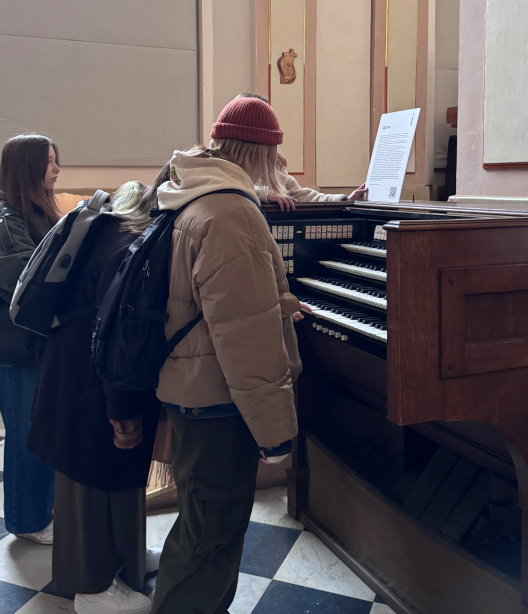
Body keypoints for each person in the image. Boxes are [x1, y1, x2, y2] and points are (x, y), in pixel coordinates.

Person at [151, 96, 302, 614]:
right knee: (209, 538)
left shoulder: (187, 193)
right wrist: (276, 432)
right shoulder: (232, 212)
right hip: (218, 403)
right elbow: (246, 340)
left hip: (188, 388)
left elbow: (206, 300)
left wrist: (276, 299)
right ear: (260, 153)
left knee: (200, 526)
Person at [28, 173, 170, 614]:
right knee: (88, 480)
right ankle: (91, 586)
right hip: (91, 379)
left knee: (114, 473)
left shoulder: (108, 227)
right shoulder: (132, 245)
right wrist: (120, 405)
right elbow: (119, 335)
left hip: (75, 369)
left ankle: (125, 559)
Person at [0, 133, 60, 543]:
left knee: (36, 429)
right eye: (49, 162)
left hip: (31, 345)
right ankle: (28, 522)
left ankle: (40, 511)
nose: (57, 169)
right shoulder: (9, 220)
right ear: (28, 168)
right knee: (25, 433)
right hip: (14, 348)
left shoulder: (34, 211)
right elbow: (27, 287)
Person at [237, 92, 368, 210]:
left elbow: (304, 196)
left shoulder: (275, 166)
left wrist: (345, 200)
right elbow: (224, 185)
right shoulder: (224, 159)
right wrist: (263, 194)